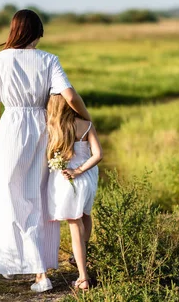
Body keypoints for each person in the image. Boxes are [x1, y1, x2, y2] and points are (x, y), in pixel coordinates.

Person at [0, 9, 91, 292]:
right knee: (40, 199)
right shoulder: (49, 59)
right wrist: (86, 117)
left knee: (9, 197)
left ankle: (12, 262)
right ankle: (40, 272)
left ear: (13, 31)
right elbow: (69, 95)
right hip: (43, 129)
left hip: (10, 129)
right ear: (37, 32)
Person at [46, 94, 103, 291]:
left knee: (74, 223)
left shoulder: (54, 128)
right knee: (86, 216)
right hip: (88, 179)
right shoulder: (86, 124)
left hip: (69, 180)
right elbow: (98, 155)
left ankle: (83, 278)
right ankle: (81, 257)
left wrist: (73, 171)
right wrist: (80, 171)